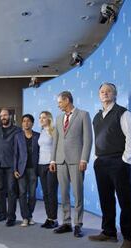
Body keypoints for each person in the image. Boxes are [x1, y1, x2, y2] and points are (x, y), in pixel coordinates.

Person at [89, 83, 131, 248]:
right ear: (99, 95)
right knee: (106, 199)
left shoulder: (123, 113)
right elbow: (99, 140)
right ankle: (109, 232)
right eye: (102, 91)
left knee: (125, 201)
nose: (105, 93)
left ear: (115, 94)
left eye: (108, 91)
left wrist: (125, 161)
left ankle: (129, 239)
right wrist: (96, 159)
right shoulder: (96, 117)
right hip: (101, 163)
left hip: (118, 162)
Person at [50, 91, 92, 238]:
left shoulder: (83, 115)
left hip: (76, 160)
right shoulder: (59, 117)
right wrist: (53, 160)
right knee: (63, 193)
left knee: (77, 193)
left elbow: (88, 139)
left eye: (60, 102)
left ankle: (78, 224)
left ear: (67, 100)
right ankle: (66, 223)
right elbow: (56, 140)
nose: (58, 105)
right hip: (60, 161)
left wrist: (84, 159)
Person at [0, 108, 20, 225]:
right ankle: (2, 214)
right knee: (0, 190)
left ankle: (11, 217)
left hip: (11, 165)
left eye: (5, 115)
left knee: (11, 191)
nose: (3, 117)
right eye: (1, 116)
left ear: (10, 116)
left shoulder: (17, 130)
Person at [13, 114, 40, 227]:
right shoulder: (18, 136)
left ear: (32, 123)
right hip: (21, 169)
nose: (26, 123)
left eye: (28, 121)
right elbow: (15, 154)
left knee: (33, 195)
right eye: (24, 121)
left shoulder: (38, 136)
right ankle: (25, 217)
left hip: (34, 169)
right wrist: (15, 169)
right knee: (23, 194)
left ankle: (30, 215)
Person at [38, 111, 59, 229]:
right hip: (41, 165)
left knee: (52, 193)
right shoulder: (41, 132)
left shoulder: (54, 131)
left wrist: (53, 161)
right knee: (45, 194)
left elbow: (57, 148)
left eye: (44, 117)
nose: (41, 119)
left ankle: (54, 219)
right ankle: (49, 218)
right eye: (40, 118)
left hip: (51, 165)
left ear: (49, 119)